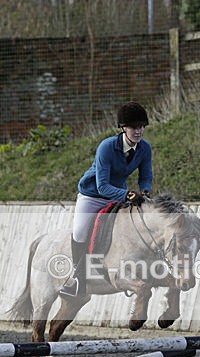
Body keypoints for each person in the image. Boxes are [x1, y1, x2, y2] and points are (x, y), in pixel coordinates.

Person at [60, 101, 154, 298]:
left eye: (141, 127)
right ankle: (77, 279)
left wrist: (144, 192)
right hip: (92, 195)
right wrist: (127, 195)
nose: (139, 131)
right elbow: (102, 185)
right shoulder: (107, 147)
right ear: (123, 128)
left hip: (118, 194)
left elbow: (145, 176)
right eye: (134, 127)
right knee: (80, 232)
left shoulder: (145, 148)